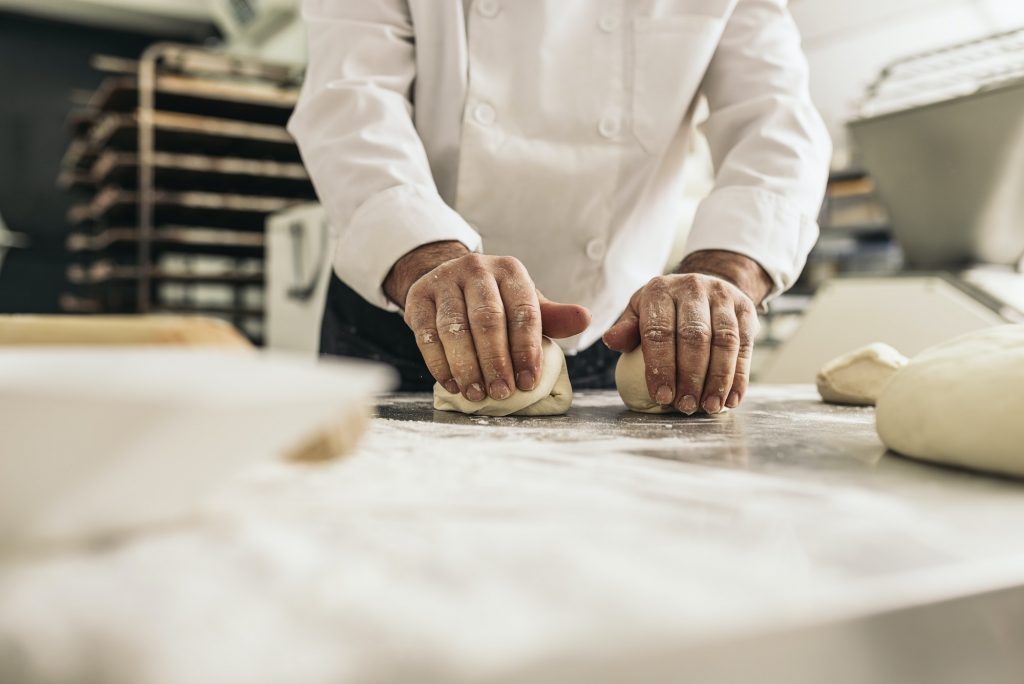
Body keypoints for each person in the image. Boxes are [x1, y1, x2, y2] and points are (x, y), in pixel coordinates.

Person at [288, 0, 831, 414]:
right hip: (408, 314)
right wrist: (424, 253)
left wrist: (726, 271)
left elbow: (775, 121)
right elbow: (351, 98)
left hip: (616, 334)